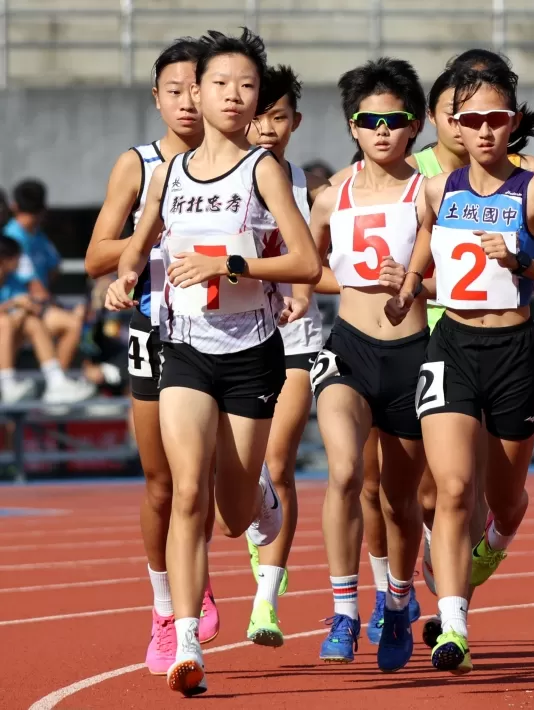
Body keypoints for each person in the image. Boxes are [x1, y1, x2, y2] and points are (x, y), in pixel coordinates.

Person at [105, 28, 321, 696]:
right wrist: (125, 278)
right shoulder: (168, 173)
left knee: (232, 512)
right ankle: (188, 638)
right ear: (196, 93)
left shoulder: (264, 169)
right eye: (221, 84)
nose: (234, 96)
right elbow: (138, 245)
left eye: (247, 86)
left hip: (251, 355)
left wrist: (232, 264)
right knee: (187, 490)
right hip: (185, 349)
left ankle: (259, 499)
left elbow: (308, 262)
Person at [327, 48, 534, 647]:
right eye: (457, 113)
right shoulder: (416, 168)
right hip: (427, 336)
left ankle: (460, 593)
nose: (468, 125)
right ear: (437, 117)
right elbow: (353, 232)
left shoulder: (526, 173)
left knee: (474, 489)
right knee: (414, 487)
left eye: (481, 114)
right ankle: (411, 602)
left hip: (500, 342)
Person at [385, 58, 534, 673]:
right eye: (470, 119)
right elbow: (419, 274)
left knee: (502, 497)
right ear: (454, 125)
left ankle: (498, 538)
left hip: (514, 353)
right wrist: (403, 290)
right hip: (451, 348)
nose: (482, 130)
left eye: (495, 119)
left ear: (513, 122)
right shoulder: (436, 190)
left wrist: (522, 262)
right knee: (450, 490)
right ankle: (454, 627)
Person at [84, 37, 221, 676]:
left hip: (227, 331)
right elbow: (94, 255)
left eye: (198, 87)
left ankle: (200, 566)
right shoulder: (136, 165)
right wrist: (148, 231)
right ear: (157, 98)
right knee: (163, 481)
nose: (188, 102)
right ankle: (167, 606)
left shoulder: (243, 162)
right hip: (155, 329)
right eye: (174, 90)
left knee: (222, 477)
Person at [308, 56, 428, 672]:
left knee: (401, 503)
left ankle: (400, 601)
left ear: (415, 125)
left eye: (395, 119)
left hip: (412, 354)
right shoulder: (329, 198)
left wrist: (412, 282)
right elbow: (308, 268)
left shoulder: (429, 192)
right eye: (368, 119)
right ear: (351, 126)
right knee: (346, 473)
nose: (382, 130)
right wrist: (324, 287)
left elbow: (462, 276)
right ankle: (346, 610)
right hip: (348, 348)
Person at [242, 63, 330, 647]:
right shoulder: (217, 183)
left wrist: (301, 294)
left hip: (296, 342)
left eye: (279, 117)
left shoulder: (305, 187)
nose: (269, 128)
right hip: (232, 341)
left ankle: (265, 603)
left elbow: (315, 263)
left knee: (278, 462)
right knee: (240, 475)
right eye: (259, 117)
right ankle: (256, 519)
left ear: (295, 121)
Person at [4, 179, 89, 372]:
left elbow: (53, 268)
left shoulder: (37, 235)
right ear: (43, 209)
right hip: (16, 308)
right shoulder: (12, 239)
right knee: (72, 323)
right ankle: (56, 384)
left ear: (14, 206)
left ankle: (56, 384)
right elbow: (37, 287)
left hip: (35, 307)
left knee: (76, 321)